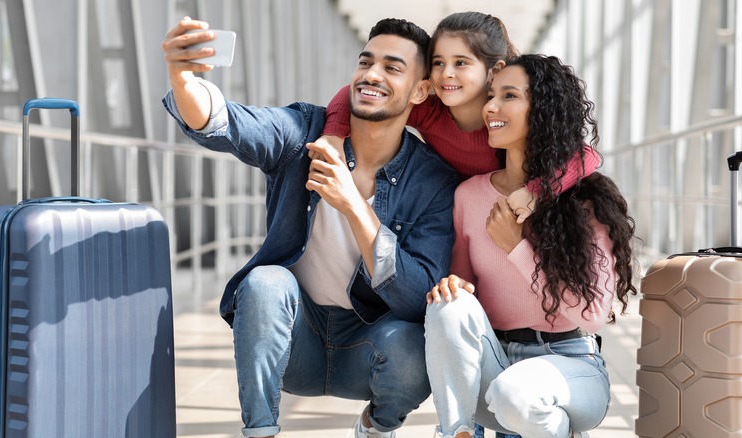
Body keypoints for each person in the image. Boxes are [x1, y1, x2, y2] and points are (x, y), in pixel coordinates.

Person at [161, 16, 459, 438]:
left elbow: (416, 299)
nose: (371, 75)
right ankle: (260, 430)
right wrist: (183, 81)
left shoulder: (433, 181)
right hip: (294, 338)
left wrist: (353, 206)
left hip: (369, 344)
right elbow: (230, 124)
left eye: (392, 67)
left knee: (413, 346)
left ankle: (377, 426)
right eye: (365, 62)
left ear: (421, 90)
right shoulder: (305, 132)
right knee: (264, 283)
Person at [423, 54, 638, 438]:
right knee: (447, 306)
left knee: (516, 396)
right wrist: (449, 287)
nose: (490, 107)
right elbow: (463, 289)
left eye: (509, 96)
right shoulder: (469, 196)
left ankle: (555, 426)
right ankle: (455, 431)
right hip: (496, 363)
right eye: (490, 96)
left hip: (570, 364)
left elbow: (591, 316)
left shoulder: (584, 202)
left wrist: (517, 247)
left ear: (543, 111)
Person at [318, 11, 601, 223]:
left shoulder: (506, 122)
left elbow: (587, 155)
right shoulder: (427, 110)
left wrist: (536, 191)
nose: (446, 73)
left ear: (495, 69)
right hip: (452, 213)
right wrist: (333, 137)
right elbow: (352, 92)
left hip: (512, 214)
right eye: (438, 63)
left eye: (461, 63)